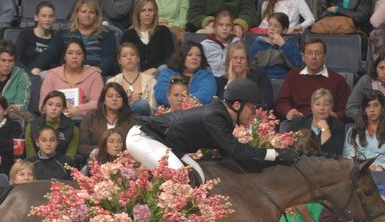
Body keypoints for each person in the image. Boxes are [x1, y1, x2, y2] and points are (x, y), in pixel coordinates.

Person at [127, 78, 299, 184]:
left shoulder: (221, 115)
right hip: (144, 137)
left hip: (166, 143)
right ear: (237, 105)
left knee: (199, 177)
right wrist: (275, 154)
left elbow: (229, 154)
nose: (254, 114)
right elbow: (237, 151)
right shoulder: (215, 116)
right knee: (181, 179)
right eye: (252, 109)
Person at [30, 0, 117, 77]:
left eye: (92, 12)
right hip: (67, 73)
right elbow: (50, 53)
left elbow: (108, 58)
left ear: (97, 15)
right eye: (83, 12)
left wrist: (97, 71)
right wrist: (36, 67)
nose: (88, 15)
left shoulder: (107, 33)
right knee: (42, 75)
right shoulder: (64, 32)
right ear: (77, 13)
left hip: (95, 73)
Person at [275, 38, 351, 121]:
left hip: (327, 123)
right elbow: (281, 102)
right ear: (303, 57)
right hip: (299, 121)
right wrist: (288, 111)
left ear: (324, 57)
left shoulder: (338, 80)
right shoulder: (293, 76)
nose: (313, 57)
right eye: (309, 53)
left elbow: (346, 110)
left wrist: (336, 115)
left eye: (318, 53)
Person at [38, 38, 103, 118]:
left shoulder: (94, 74)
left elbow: (99, 103)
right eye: (70, 53)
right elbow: (43, 105)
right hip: (56, 120)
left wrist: (78, 109)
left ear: (83, 57)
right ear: (64, 56)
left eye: (78, 53)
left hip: (86, 120)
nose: (74, 56)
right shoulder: (52, 75)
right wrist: (60, 109)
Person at [344, 89, 385, 174]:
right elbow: (348, 159)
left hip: (383, 176)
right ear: (364, 110)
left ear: (382, 108)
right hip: (359, 176)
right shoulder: (353, 131)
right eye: (368, 106)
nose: (372, 110)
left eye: (376, 105)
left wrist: (380, 168)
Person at [154, 41, 217, 107]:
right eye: (189, 55)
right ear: (181, 57)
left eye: (198, 55)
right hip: (169, 113)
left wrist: (180, 100)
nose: (194, 58)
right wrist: (185, 100)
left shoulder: (206, 75)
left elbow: (206, 95)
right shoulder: (168, 72)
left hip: (195, 113)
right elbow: (161, 94)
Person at [120, 0, 174, 75]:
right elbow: (123, 60)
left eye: (150, 10)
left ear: (155, 13)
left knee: (164, 68)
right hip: (134, 75)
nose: (147, 14)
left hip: (158, 74)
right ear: (138, 14)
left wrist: (153, 69)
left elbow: (171, 58)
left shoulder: (163, 31)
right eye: (143, 10)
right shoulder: (128, 34)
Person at [80, 82, 134, 156]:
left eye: (118, 96)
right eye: (110, 96)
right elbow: (82, 146)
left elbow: (136, 145)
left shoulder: (132, 118)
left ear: (123, 101)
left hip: (123, 158)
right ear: (103, 100)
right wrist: (101, 150)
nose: (114, 99)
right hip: (97, 158)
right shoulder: (91, 116)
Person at [289, 88, 345, 155]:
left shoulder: (338, 126)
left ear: (331, 108)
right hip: (300, 162)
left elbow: (332, 154)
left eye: (326, 105)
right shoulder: (298, 122)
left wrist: (325, 129)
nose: (321, 108)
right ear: (312, 107)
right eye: (317, 104)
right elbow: (287, 147)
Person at [107, 42, 157, 116]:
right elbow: (108, 109)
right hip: (120, 121)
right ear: (119, 61)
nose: (129, 58)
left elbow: (153, 110)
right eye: (124, 56)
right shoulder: (112, 82)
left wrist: (139, 102)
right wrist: (126, 102)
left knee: (142, 105)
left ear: (138, 58)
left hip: (145, 121)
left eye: (132, 55)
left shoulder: (151, 81)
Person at [250, 12, 303, 80]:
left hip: (281, 81)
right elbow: (251, 67)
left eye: (276, 26)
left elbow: (297, 66)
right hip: (261, 81)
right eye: (270, 25)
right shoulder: (257, 45)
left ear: (284, 30)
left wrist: (283, 45)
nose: (272, 28)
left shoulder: (289, 46)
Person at [25, 90, 79, 158]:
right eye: (50, 104)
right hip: (36, 166)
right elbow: (31, 156)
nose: (53, 108)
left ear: (63, 108)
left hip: (62, 166)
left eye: (58, 105)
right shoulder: (31, 126)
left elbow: (70, 157)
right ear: (44, 106)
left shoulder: (73, 129)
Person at [218, 42, 272, 109]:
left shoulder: (260, 76)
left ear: (247, 61)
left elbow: (267, 103)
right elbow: (220, 107)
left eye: (242, 58)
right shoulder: (221, 81)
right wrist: (230, 84)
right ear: (229, 61)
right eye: (235, 58)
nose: (239, 61)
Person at [200, 10, 240, 79]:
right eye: (221, 25)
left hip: (229, 78)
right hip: (209, 79)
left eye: (228, 25)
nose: (224, 28)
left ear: (232, 28)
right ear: (214, 27)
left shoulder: (237, 45)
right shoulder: (205, 45)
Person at [16, 1, 55, 70]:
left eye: (50, 16)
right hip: (25, 73)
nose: (47, 19)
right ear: (36, 17)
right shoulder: (26, 34)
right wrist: (28, 73)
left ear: (54, 19)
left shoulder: (56, 38)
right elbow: (16, 58)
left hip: (48, 75)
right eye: (44, 16)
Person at [186, 0, 257, 37]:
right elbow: (194, 13)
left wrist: (239, 24)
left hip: (234, 28)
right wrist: (209, 22)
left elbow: (249, 11)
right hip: (208, 29)